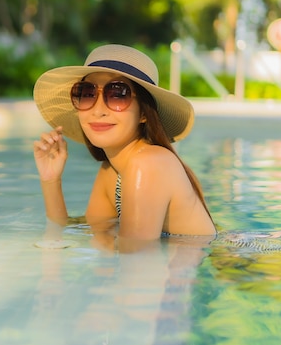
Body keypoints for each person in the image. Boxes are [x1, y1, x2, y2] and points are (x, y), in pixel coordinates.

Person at [32, 44, 216, 251]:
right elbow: (88, 231)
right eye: (87, 93)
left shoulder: (149, 163)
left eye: (118, 94)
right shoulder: (112, 171)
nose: (98, 110)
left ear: (144, 113)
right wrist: (51, 180)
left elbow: (135, 264)